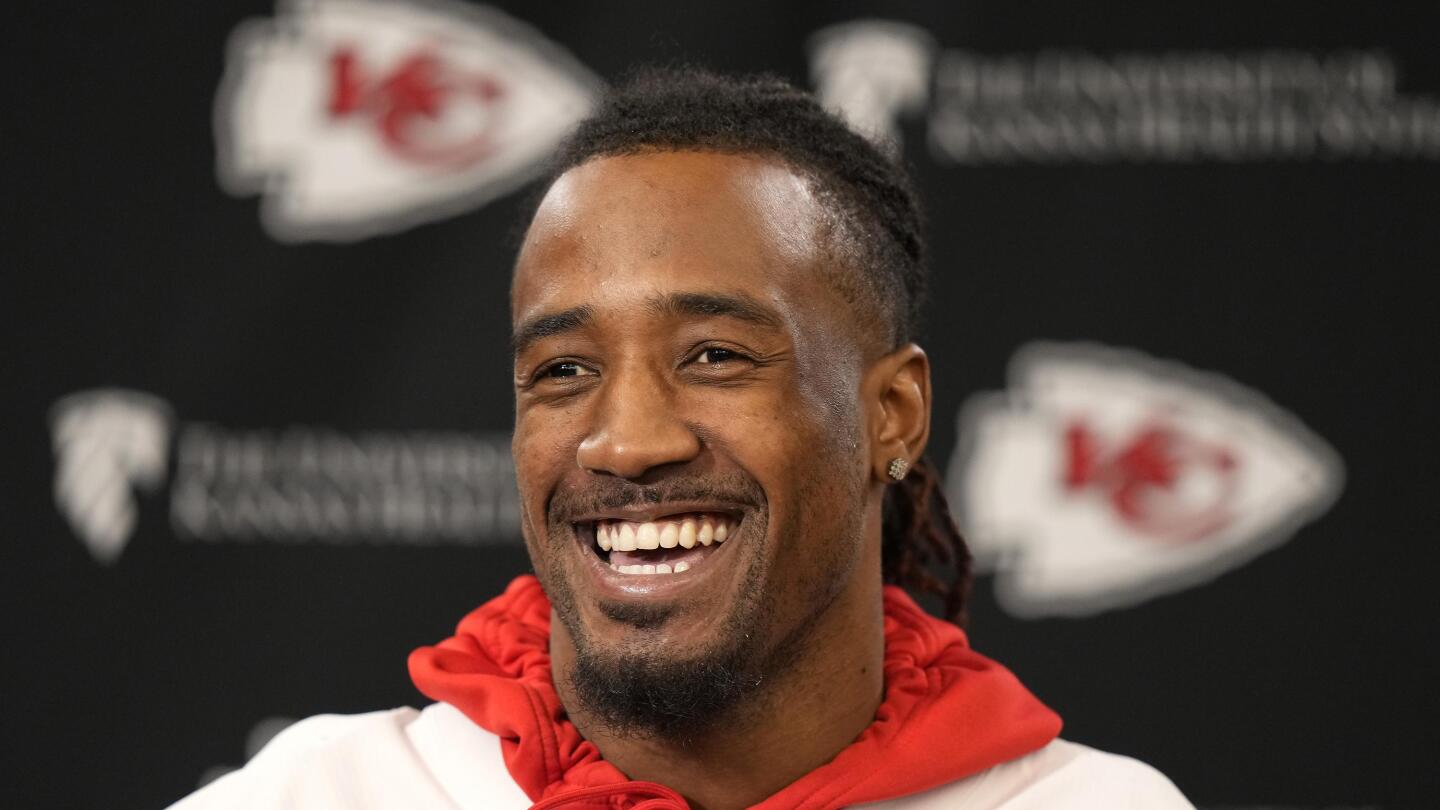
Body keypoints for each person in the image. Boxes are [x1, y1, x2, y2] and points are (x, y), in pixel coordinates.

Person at [171, 68, 1192, 810]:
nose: (626, 443)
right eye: (564, 371)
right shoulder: (323, 797)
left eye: (714, 356)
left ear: (894, 414)